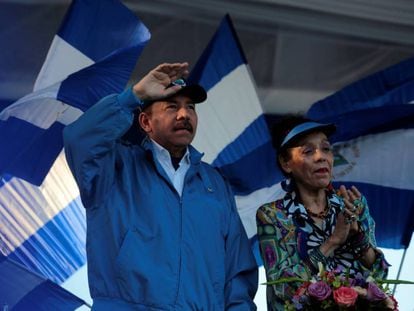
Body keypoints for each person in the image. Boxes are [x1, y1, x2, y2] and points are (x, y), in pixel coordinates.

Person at [63, 62, 258, 310]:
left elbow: (237, 270)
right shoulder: (114, 167)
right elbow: (79, 139)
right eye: (172, 107)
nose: (184, 115)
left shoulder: (215, 183)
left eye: (191, 108)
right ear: (145, 122)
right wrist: (133, 97)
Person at [256, 116, 389, 310]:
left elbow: (380, 278)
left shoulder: (353, 205)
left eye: (326, 148)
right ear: (286, 163)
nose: (321, 157)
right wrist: (333, 241)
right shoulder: (272, 215)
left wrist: (357, 236)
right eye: (308, 151)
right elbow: (283, 288)